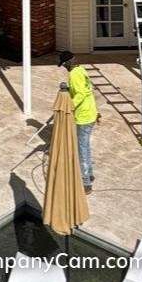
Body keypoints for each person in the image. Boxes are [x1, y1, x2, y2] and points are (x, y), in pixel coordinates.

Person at [59, 51, 98, 192]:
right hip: (91, 112)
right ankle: (90, 174)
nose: (64, 67)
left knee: (81, 149)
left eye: (64, 65)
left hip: (83, 116)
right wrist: (68, 88)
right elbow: (83, 89)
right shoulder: (81, 69)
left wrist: (69, 106)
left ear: (68, 62)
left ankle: (86, 182)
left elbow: (80, 94)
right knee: (85, 145)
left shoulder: (73, 74)